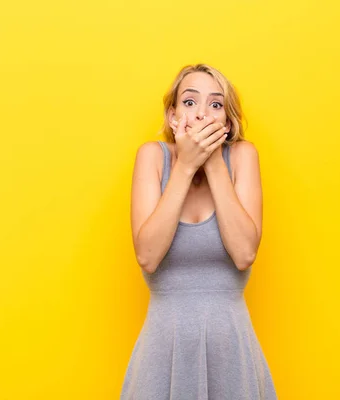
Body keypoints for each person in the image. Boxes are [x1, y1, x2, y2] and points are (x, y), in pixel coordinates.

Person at [121, 63, 277, 399]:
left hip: (230, 348)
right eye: (190, 103)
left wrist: (213, 162)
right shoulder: (153, 157)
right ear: (173, 116)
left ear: (228, 122)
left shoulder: (242, 157)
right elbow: (147, 257)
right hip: (163, 348)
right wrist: (186, 165)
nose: (202, 114)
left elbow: (244, 254)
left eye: (215, 105)